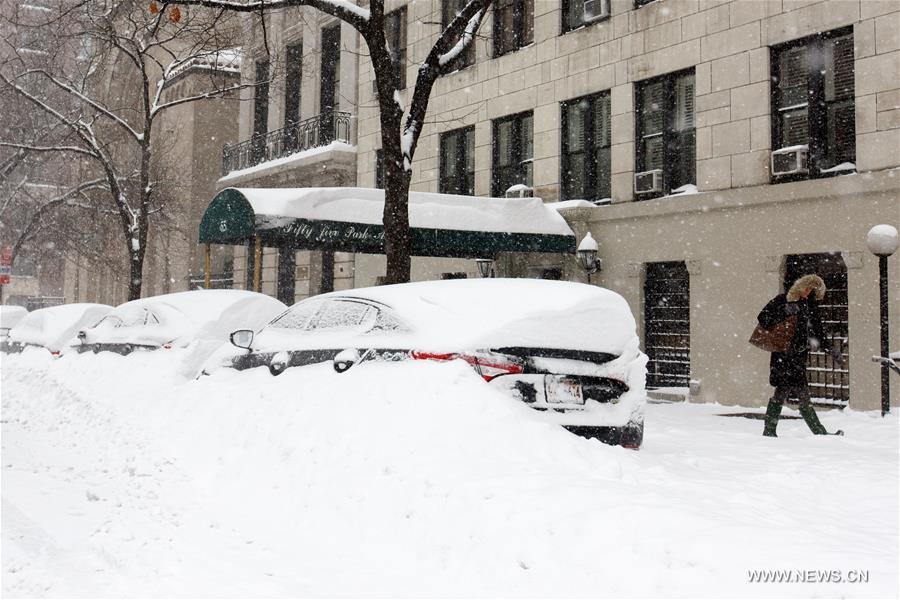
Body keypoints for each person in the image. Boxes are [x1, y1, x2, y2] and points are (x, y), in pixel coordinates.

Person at [757, 274, 844, 437]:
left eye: (812, 290)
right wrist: (783, 312)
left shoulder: (811, 306)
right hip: (782, 355)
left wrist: (830, 349)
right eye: (807, 288)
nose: (808, 292)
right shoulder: (782, 300)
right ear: (800, 286)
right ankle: (817, 432)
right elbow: (763, 318)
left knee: (789, 391)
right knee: (788, 391)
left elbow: (818, 333)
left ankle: (770, 430)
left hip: (798, 357)